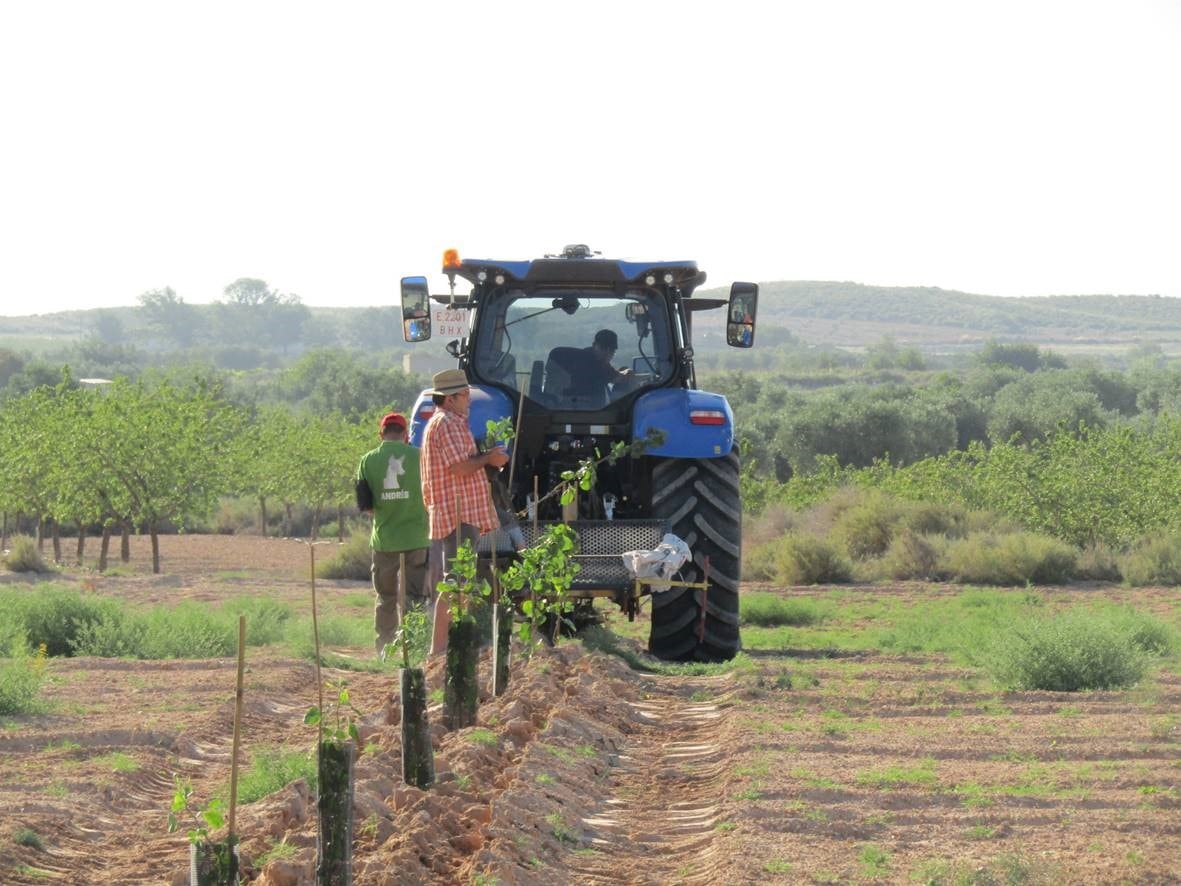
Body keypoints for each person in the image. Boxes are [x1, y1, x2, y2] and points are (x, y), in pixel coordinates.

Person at [420, 368, 510, 654]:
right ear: (449, 399)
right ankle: (443, 648)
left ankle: (453, 644)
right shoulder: (447, 424)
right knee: (456, 580)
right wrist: (489, 458)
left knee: (459, 579)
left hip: (459, 511)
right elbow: (459, 467)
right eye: (465, 395)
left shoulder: (448, 422)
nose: (469, 399)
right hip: (457, 512)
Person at [355, 412, 429, 655]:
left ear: (381, 434)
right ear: (406, 434)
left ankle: (385, 650)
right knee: (414, 597)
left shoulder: (367, 461)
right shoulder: (420, 456)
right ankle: (413, 648)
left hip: (385, 541)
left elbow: (366, 506)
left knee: (386, 597)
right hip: (417, 539)